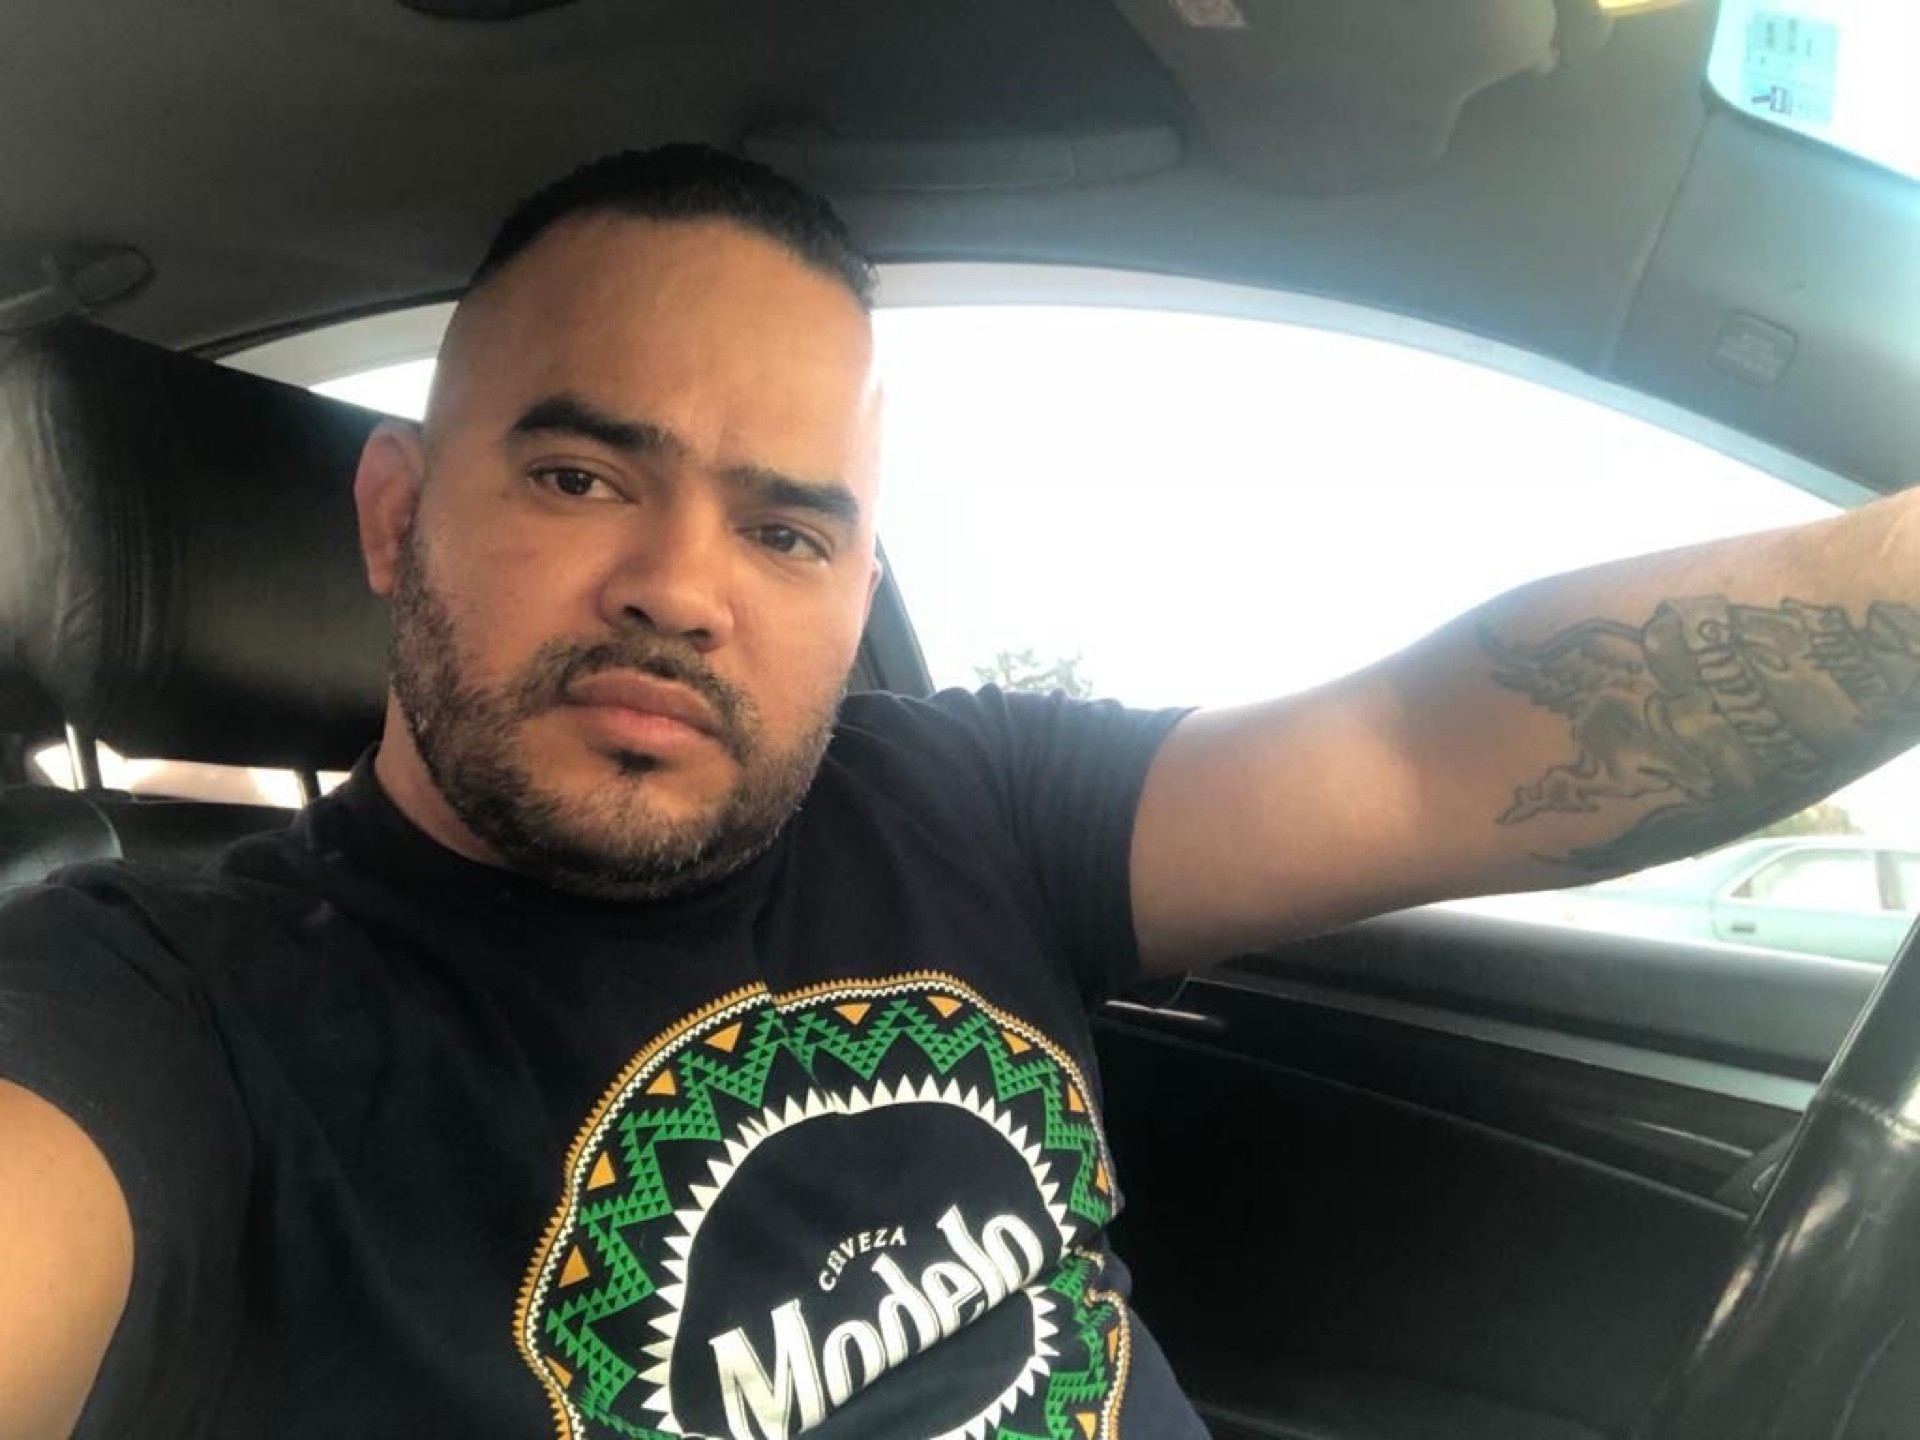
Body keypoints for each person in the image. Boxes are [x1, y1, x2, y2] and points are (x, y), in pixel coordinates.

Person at [0, 144, 1914, 1440]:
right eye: (581, 478)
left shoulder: (955, 795)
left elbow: (1430, 750)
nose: (682, 586)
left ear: (855, 590)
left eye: (787, 531)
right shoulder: (164, 1010)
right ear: (398, 518)